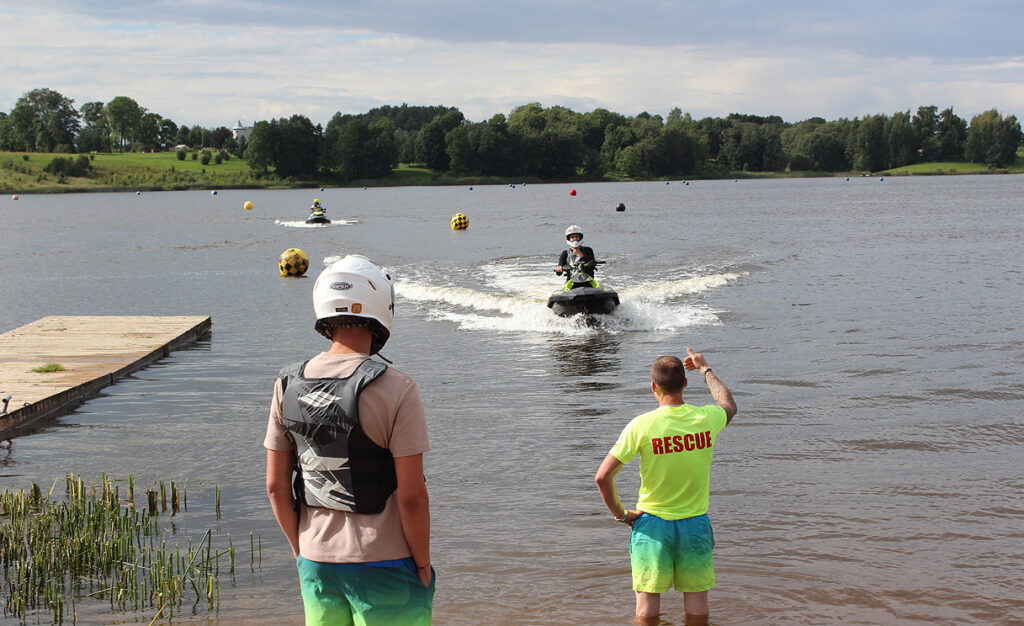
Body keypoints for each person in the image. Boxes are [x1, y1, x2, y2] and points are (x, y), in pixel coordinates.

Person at [265, 254, 434, 625]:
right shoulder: (398, 388)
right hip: (385, 561)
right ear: (382, 307)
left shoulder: (286, 384)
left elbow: (276, 487)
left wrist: (301, 550)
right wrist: (422, 564)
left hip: (315, 560)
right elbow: (411, 496)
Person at [595, 348, 737, 623]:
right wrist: (705, 369)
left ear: (653, 387)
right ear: (685, 383)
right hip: (694, 524)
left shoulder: (641, 425)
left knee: (646, 611)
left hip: (652, 526)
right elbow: (728, 404)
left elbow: (602, 477)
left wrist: (621, 515)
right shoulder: (706, 419)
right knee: (697, 608)